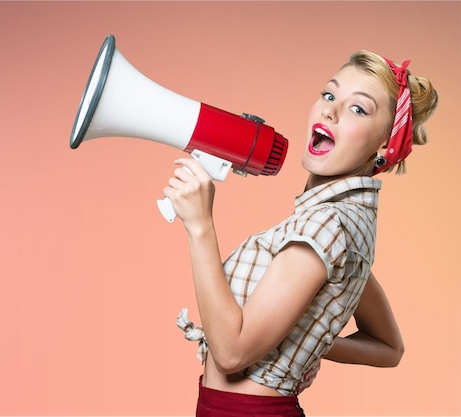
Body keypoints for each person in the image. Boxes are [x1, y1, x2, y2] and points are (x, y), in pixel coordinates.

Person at [163, 50, 438, 417]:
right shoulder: (347, 224)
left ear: (385, 146)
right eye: (329, 95)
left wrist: (200, 227)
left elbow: (231, 353)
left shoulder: (325, 226)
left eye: (359, 108)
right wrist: (302, 339)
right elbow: (389, 347)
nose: (330, 111)